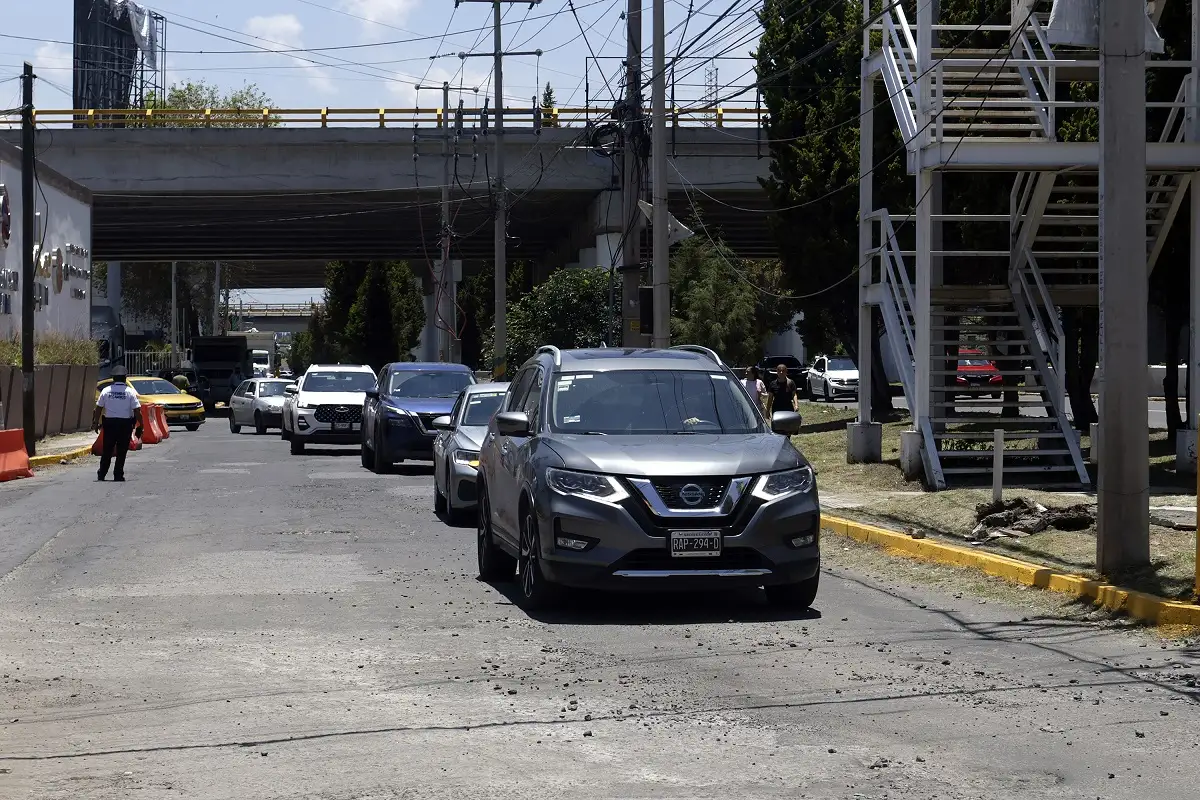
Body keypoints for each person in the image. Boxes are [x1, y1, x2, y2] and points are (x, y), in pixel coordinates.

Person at [92, 367, 143, 482]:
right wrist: (142, 425)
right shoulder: (130, 392)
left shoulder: (106, 391)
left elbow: (98, 408)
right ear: (125, 378)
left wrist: (96, 423)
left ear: (113, 378)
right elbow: (137, 411)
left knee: (107, 450)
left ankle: (102, 474)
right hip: (125, 425)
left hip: (110, 424)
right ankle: (118, 474)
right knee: (122, 450)